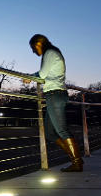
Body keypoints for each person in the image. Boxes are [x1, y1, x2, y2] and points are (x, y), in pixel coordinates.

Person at [24, 34, 83, 172]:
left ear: (39, 44)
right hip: (53, 94)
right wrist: (32, 77)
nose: (33, 51)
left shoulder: (50, 53)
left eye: (33, 47)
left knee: (61, 130)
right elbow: (45, 74)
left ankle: (77, 162)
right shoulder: (52, 53)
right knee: (50, 133)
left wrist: (30, 77)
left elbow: (42, 75)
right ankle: (76, 159)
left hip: (55, 94)